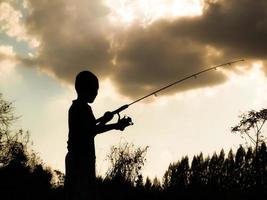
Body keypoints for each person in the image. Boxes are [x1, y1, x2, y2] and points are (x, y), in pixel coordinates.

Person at [65, 70, 132, 200]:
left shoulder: (79, 108)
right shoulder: (81, 108)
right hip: (80, 160)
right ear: (85, 89)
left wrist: (105, 121)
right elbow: (91, 131)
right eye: (94, 89)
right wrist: (115, 126)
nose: (96, 93)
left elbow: (90, 131)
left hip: (81, 159)